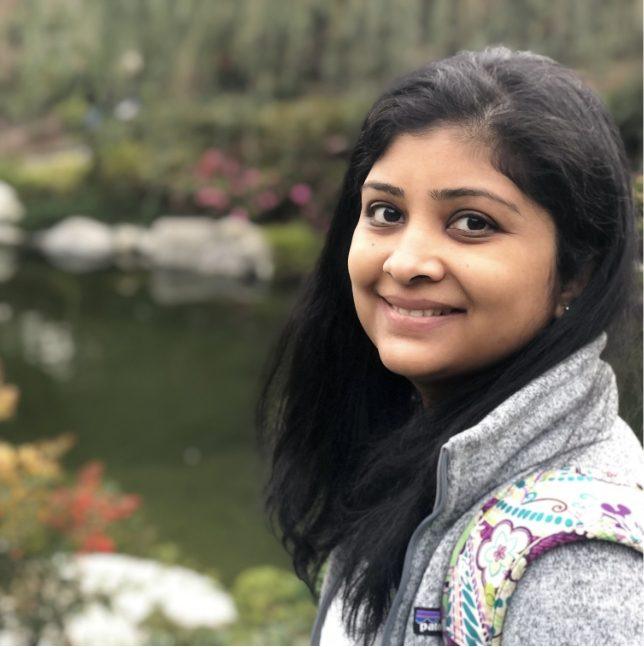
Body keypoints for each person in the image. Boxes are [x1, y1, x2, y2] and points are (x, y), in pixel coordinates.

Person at [255, 46, 644, 646]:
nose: (406, 262)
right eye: (385, 211)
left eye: (472, 223)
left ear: (577, 273)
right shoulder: (405, 448)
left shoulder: (579, 566)